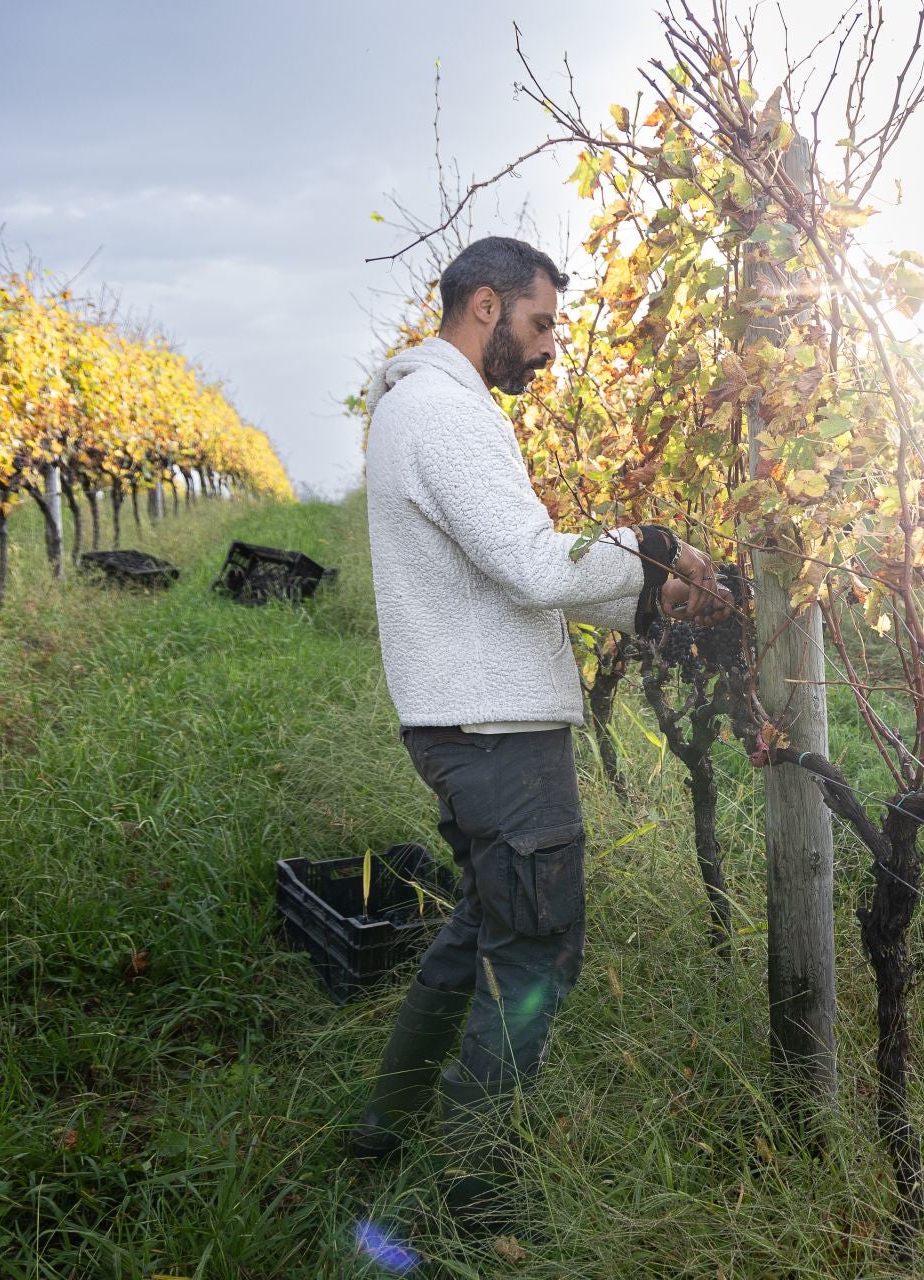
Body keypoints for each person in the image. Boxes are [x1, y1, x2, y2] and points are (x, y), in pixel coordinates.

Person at [350, 236, 730, 1225]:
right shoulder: (444, 410)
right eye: (541, 321)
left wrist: (644, 601)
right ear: (484, 305)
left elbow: (506, 573)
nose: (550, 345)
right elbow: (530, 565)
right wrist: (652, 549)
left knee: (481, 926)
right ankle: (476, 1197)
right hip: (497, 732)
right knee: (534, 950)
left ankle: (383, 1124)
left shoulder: (414, 406)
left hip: (459, 720)